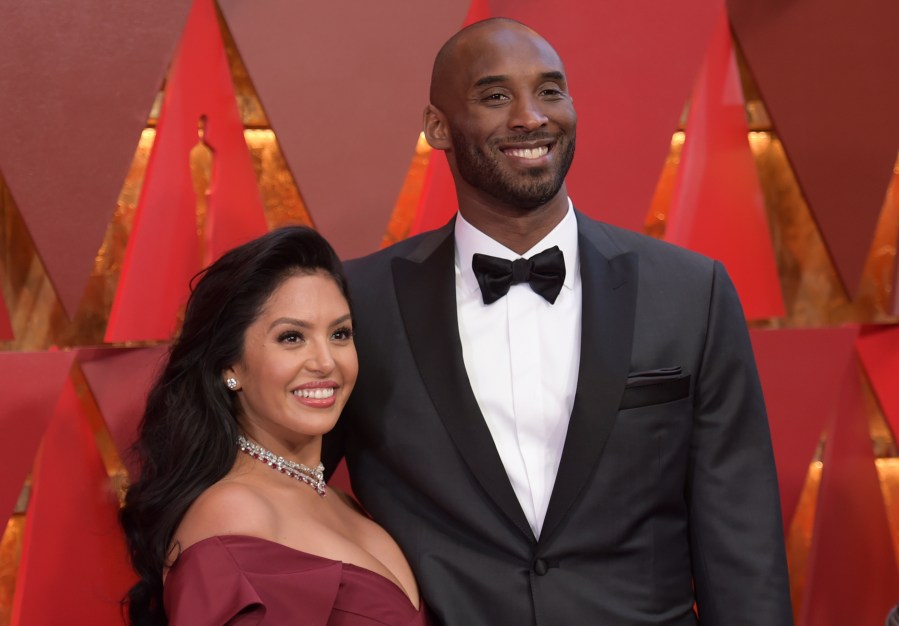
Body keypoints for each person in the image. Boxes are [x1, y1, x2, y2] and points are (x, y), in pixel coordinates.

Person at [324, 17, 793, 626]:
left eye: (550, 91)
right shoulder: (359, 302)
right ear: (437, 127)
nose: (531, 117)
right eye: (495, 96)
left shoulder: (689, 291)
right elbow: (285, 485)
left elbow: (743, 539)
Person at [120, 226, 426, 626]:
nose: (325, 361)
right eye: (292, 337)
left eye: (339, 334)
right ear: (230, 366)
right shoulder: (232, 513)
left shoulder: (342, 501)